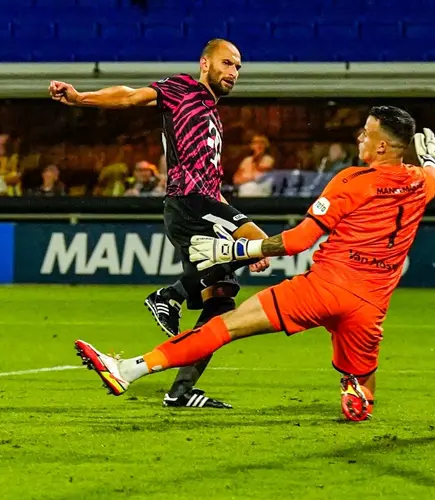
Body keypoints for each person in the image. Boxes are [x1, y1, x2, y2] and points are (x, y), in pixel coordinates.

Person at [74, 107, 435, 421]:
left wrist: (233, 251)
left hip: (322, 290)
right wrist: (430, 160)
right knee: (364, 392)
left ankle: (127, 370)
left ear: (382, 145)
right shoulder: (420, 183)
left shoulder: (351, 181)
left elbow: (298, 241)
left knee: (224, 327)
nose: (359, 136)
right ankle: (354, 393)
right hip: (370, 306)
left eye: (366, 132)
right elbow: (432, 174)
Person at [51, 39, 271, 409]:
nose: (233, 73)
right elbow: (131, 96)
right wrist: (80, 99)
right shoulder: (183, 89)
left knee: (221, 301)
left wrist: (241, 241)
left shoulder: (212, 114)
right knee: (263, 241)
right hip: (188, 204)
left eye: (238, 67)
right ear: (205, 63)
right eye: (227, 63)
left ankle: (181, 391)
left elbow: (214, 188)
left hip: (205, 204)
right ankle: (169, 295)